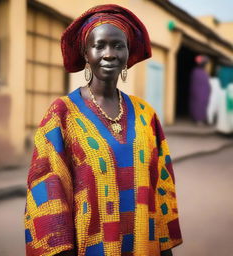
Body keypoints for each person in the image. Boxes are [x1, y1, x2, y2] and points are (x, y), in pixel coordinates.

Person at [24, 4, 182, 256]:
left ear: (128, 53)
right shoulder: (62, 114)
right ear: (86, 53)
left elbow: (162, 186)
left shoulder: (145, 114)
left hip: (143, 246)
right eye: (99, 45)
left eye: (118, 45)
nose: (109, 54)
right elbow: (46, 187)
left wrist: (164, 248)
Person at [189, 55, 211, 124]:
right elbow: (194, 83)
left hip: (203, 92)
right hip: (197, 92)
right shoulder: (196, 72)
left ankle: (201, 119)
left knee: (202, 105)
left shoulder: (204, 72)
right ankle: (197, 119)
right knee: (197, 105)